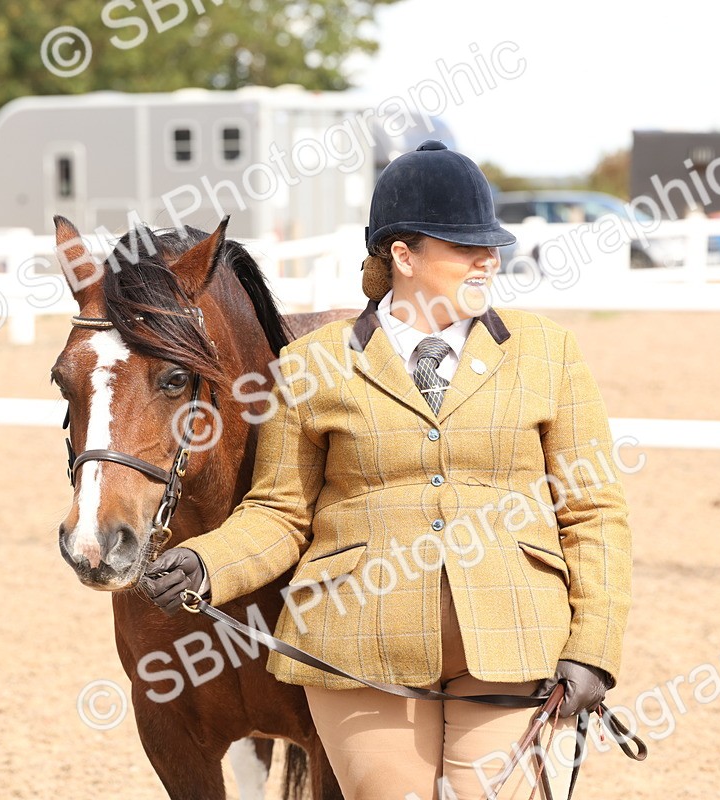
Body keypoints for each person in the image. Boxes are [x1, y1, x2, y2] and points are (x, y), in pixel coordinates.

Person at [141, 140, 632, 800]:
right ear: (403, 255)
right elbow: (280, 513)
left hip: (514, 635)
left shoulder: (549, 353)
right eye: (465, 247)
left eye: (490, 246)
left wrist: (593, 646)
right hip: (359, 639)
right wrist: (206, 564)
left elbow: (593, 509)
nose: (488, 260)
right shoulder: (312, 365)